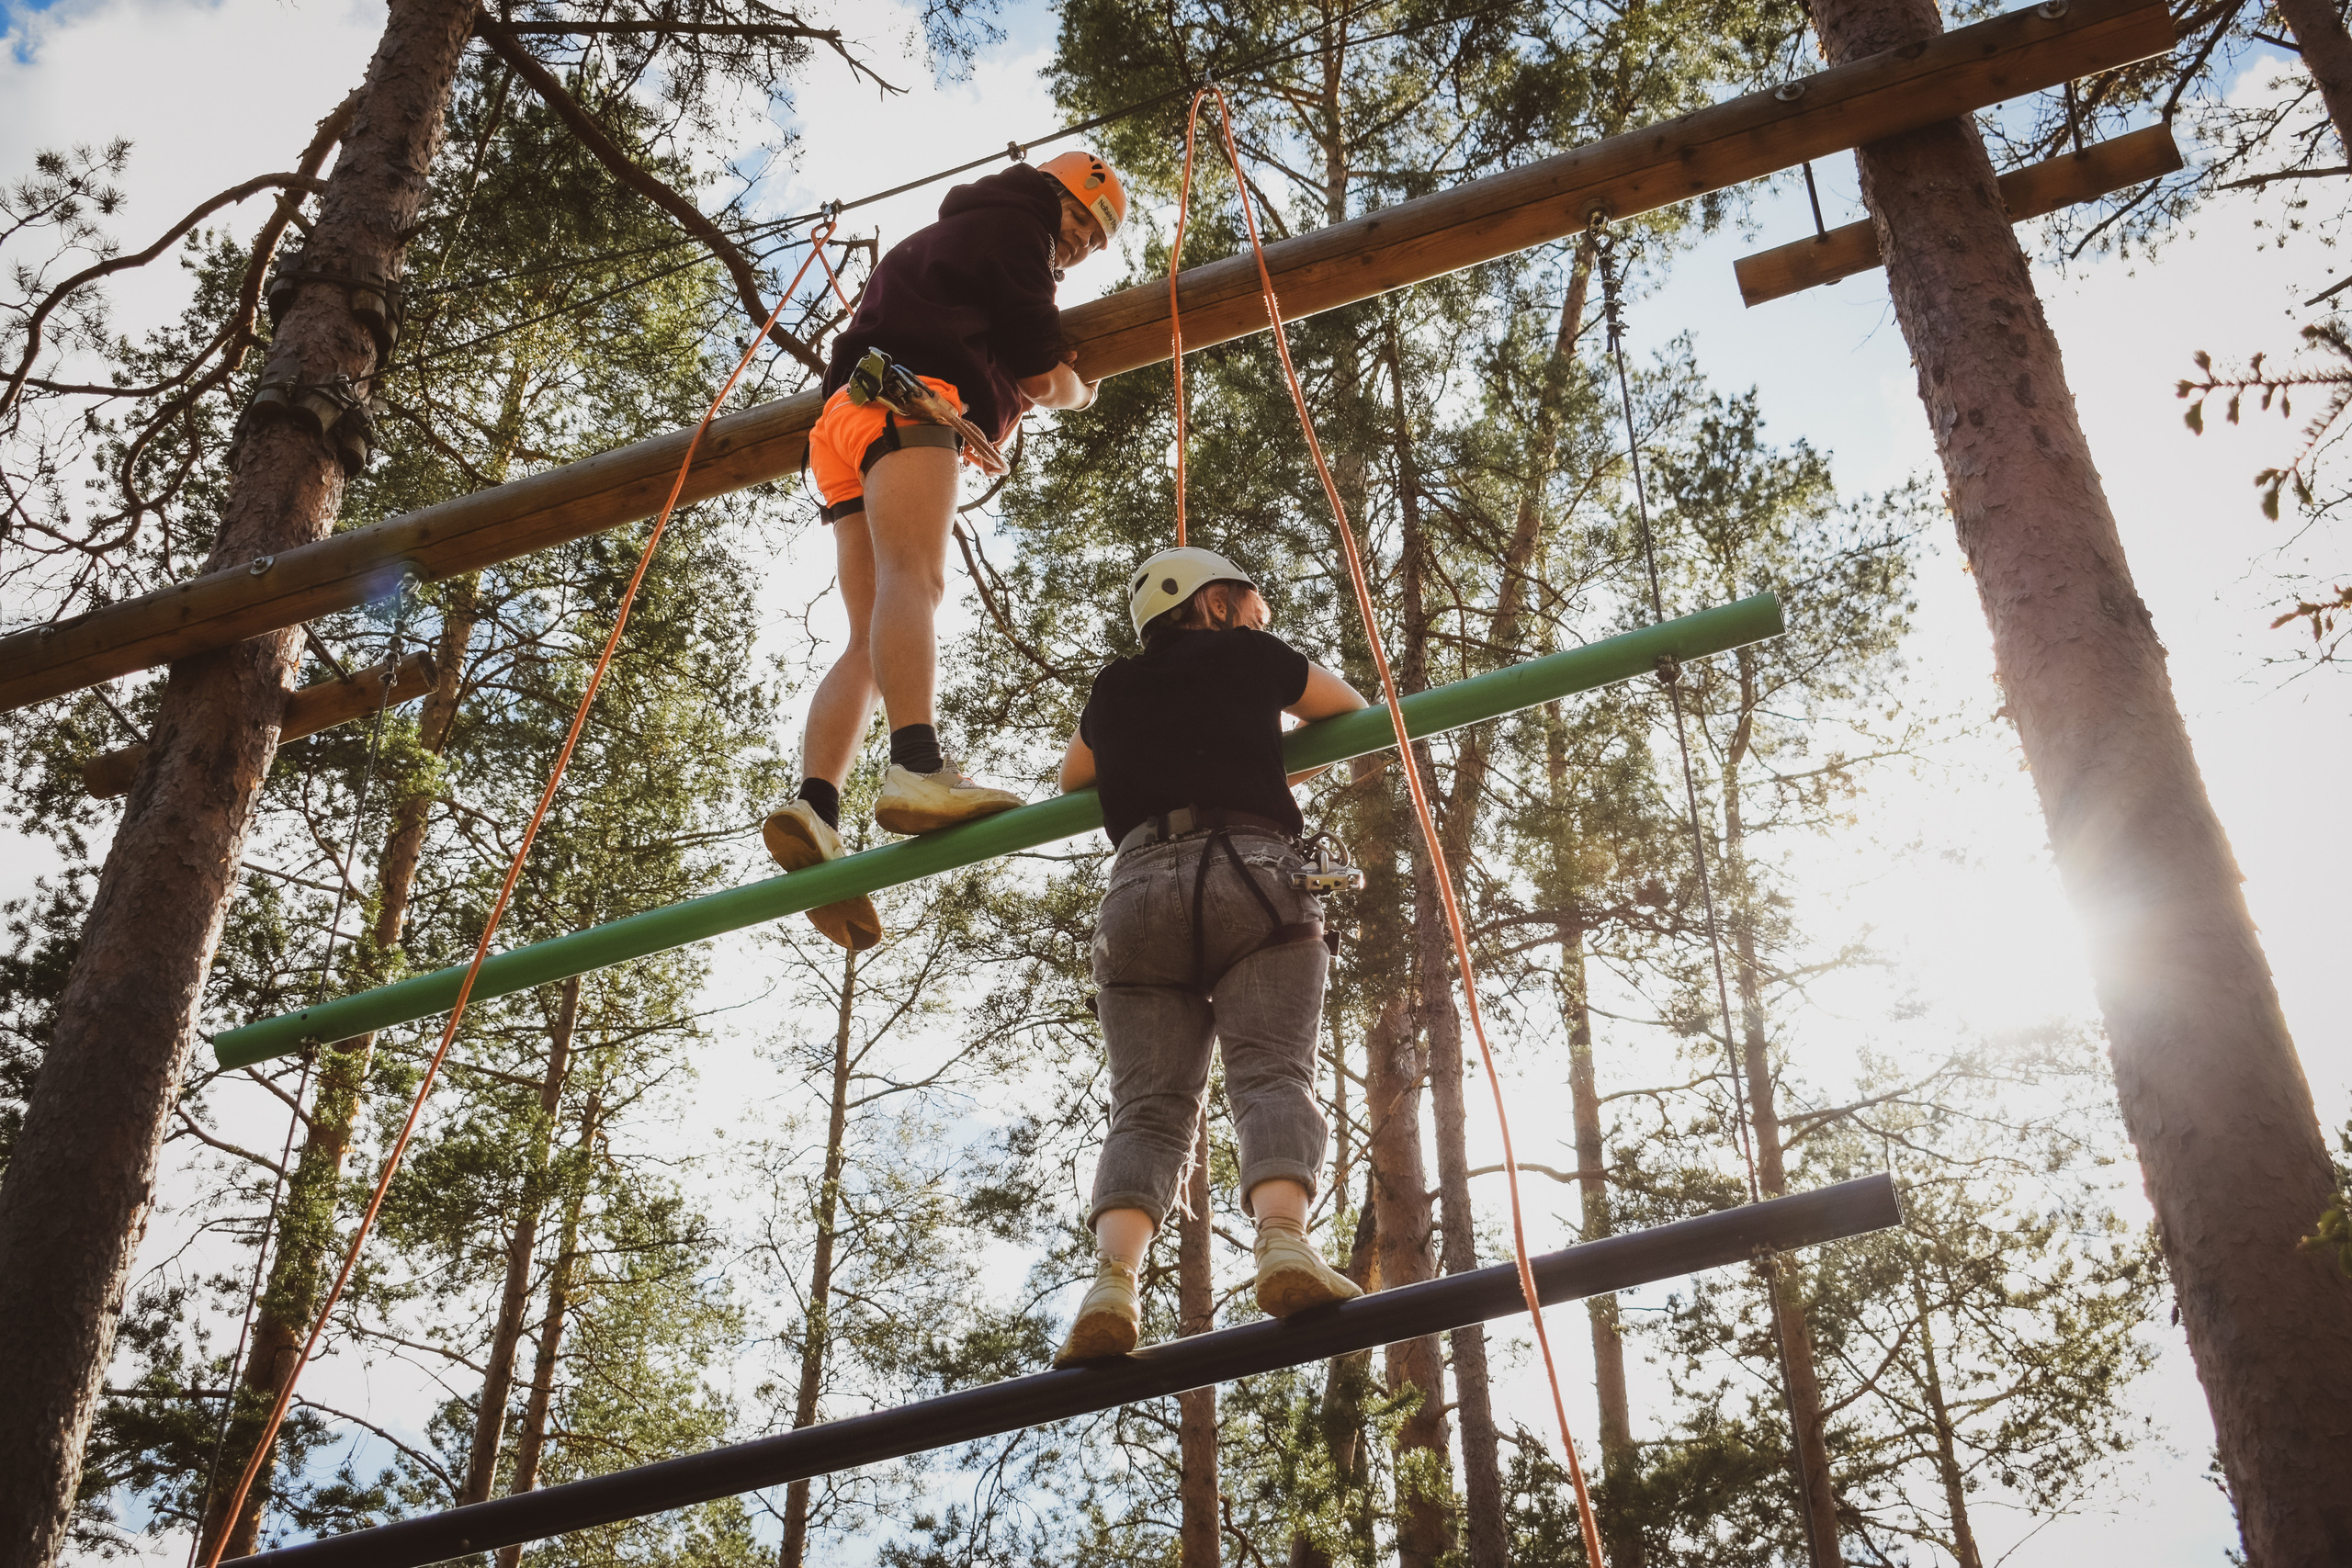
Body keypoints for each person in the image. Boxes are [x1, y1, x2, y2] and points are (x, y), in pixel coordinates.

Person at [763, 151, 1129, 951]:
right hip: (908, 402)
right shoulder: (1014, 231)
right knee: (915, 579)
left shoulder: (954, 240)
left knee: (867, 636)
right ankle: (918, 763)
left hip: (845, 426)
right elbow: (1040, 371)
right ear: (1053, 195)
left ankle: (815, 806)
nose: (1077, 246)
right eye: (1079, 223)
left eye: (1094, 243)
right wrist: (1079, 387)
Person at [1050, 546, 1385, 1367]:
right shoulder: (1249, 655)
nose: (1257, 620)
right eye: (1250, 607)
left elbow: (1072, 779)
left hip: (1134, 895)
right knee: (1271, 1072)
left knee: (1148, 1107)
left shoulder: (1113, 686)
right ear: (1218, 605)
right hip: (1252, 871)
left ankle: (1112, 1283)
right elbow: (1346, 707)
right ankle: (1282, 1242)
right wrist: (1253, 732)